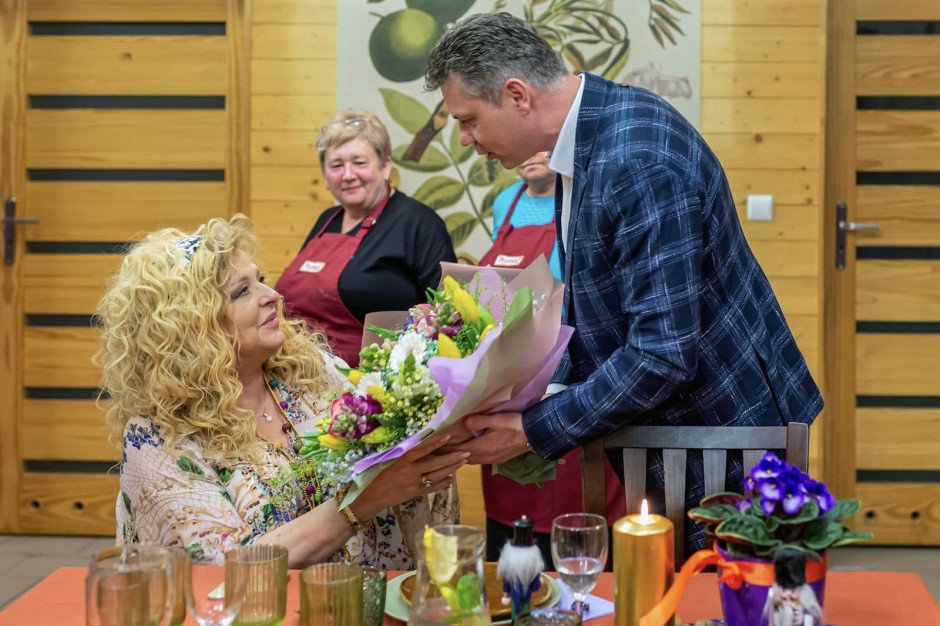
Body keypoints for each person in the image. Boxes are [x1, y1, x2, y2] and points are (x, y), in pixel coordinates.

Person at [425, 12, 823, 555]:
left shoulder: (634, 162)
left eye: (468, 120)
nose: (467, 139)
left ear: (517, 95)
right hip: (684, 435)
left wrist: (531, 429)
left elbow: (662, 355)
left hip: (724, 436)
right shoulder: (595, 129)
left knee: (730, 600)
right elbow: (599, 309)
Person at [97, 215, 466, 569]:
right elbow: (230, 566)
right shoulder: (159, 440)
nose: (272, 294)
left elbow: (395, 431)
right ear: (190, 328)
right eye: (242, 291)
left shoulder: (309, 371)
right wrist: (364, 503)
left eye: (261, 279)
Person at [479, 151, 625, 564]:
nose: (526, 155)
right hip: (510, 374)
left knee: (573, 492)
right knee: (513, 491)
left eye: (537, 146)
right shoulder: (505, 202)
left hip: (569, 369)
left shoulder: (584, 200)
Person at [276, 109, 457, 367]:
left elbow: (448, 313)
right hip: (303, 376)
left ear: (385, 166)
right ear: (326, 177)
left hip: (374, 384)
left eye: (359, 163)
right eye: (336, 165)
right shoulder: (326, 220)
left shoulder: (418, 222)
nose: (348, 174)